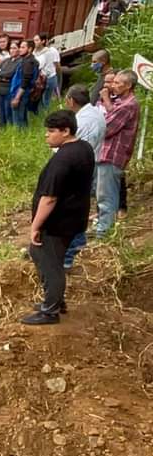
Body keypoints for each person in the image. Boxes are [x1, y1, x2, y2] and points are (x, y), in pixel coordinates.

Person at [22, 110, 94, 325]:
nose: (47, 135)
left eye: (51, 131)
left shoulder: (63, 158)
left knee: (50, 263)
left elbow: (49, 198)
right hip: (74, 217)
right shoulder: (84, 148)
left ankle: (50, 310)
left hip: (57, 222)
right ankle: (55, 299)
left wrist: (35, 225)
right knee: (45, 256)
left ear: (66, 131)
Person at [61, 85, 106, 269]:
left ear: (71, 101)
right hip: (91, 162)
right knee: (80, 206)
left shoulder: (82, 121)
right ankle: (76, 243)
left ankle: (71, 251)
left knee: (71, 210)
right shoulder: (97, 113)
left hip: (77, 168)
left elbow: (71, 147)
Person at [94, 70, 140, 238]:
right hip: (107, 153)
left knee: (106, 195)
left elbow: (107, 128)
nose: (113, 85)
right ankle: (103, 225)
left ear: (128, 86)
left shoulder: (129, 105)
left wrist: (105, 100)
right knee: (102, 192)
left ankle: (104, 232)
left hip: (113, 153)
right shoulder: (121, 102)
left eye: (117, 83)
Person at [10, 40, 40, 127]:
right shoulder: (27, 60)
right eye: (20, 47)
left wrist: (17, 98)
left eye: (23, 47)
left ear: (30, 49)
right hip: (22, 93)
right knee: (22, 118)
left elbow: (25, 82)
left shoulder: (28, 63)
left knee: (19, 121)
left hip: (22, 95)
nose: (20, 49)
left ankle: (18, 138)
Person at [0, 40, 22, 127]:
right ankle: (2, 131)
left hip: (10, 90)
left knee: (8, 113)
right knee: (1, 113)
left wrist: (3, 74)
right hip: (1, 89)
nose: (12, 50)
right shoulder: (6, 61)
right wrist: (4, 75)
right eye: (10, 48)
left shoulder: (20, 62)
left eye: (14, 48)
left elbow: (11, 73)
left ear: (19, 49)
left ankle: (9, 132)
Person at [32, 33, 61, 112]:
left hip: (48, 79)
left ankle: (45, 117)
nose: (35, 42)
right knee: (38, 99)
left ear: (43, 41)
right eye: (34, 40)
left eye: (37, 40)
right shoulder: (34, 52)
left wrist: (42, 74)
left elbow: (49, 68)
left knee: (46, 100)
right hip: (38, 78)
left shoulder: (48, 52)